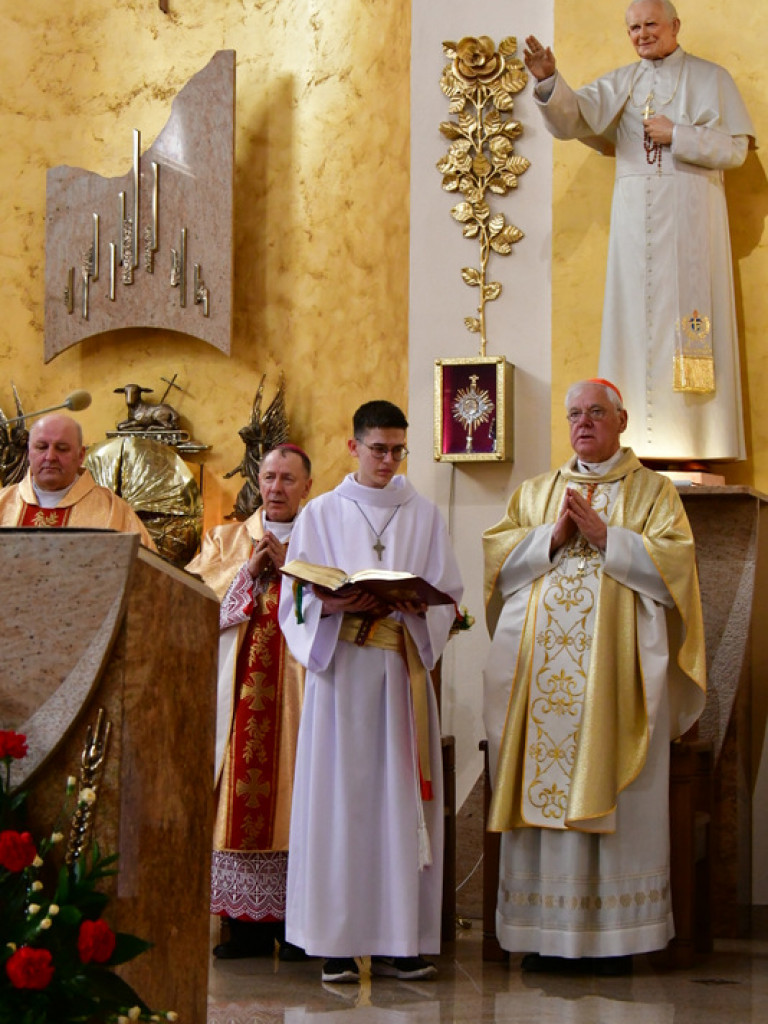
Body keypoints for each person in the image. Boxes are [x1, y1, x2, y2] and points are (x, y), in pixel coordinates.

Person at [482, 379, 706, 974]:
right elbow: (497, 567)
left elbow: (680, 567)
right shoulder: (538, 493)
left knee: (618, 796)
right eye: (575, 413)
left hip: (617, 685)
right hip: (542, 691)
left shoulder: (654, 492)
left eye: (597, 412)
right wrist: (550, 538)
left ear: (622, 420)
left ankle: (612, 941)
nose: (584, 422)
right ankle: (546, 934)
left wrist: (611, 539)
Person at [278, 400, 463, 984]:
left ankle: (400, 939)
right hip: (340, 677)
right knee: (342, 805)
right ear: (353, 448)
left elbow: (450, 595)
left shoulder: (424, 513)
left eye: (398, 450)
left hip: (398, 675)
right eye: (378, 448)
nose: (388, 460)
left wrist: (416, 605)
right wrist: (331, 604)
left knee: (399, 804)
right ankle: (338, 941)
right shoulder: (321, 514)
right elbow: (294, 600)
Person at [524, 1, 755, 462]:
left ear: (675, 27)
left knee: (689, 323)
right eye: (633, 28)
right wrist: (549, 79)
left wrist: (680, 134)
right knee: (631, 323)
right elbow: (574, 119)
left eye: (651, 25)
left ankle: (695, 443)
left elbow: (737, 149)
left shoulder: (713, 79)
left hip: (691, 219)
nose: (642, 34)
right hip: (634, 226)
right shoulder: (622, 81)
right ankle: (631, 447)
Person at [186, 443, 313, 960]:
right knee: (240, 796)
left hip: (304, 700)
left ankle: (302, 925)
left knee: (299, 796)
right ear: (257, 482)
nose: (276, 488)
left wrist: (292, 574)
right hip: (239, 697)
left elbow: (342, 599)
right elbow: (194, 603)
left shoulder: (321, 539)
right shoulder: (226, 538)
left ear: (307, 486)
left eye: (288, 479)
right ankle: (244, 926)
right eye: (268, 478)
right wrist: (245, 576)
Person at [0, 412, 155, 549]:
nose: (50, 457)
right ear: (28, 452)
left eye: (62, 448)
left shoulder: (114, 512)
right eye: (41, 447)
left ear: (81, 455)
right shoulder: (4, 504)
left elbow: (145, 576)